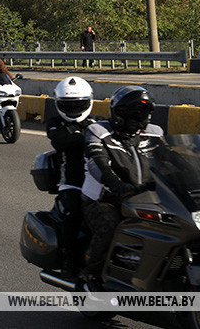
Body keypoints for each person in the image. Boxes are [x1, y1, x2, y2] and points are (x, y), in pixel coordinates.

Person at [80, 85, 163, 293]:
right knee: (109, 225)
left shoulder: (154, 134)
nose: (138, 118)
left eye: (143, 113)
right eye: (132, 113)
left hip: (145, 198)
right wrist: (116, 185)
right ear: (117, 114)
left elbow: (172, 163)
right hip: (104, 198)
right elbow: (97, 163)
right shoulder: (98, 131)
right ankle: (92, 275)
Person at [46, 76, 96, 277]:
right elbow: (61, 141)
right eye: (69, 105)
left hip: (99, 182)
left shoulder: (96, 123)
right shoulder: (55, 123)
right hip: (72, 183)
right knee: (73, 213)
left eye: (79, 104)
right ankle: (68, 259)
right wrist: (88, 137)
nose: (74, 108)